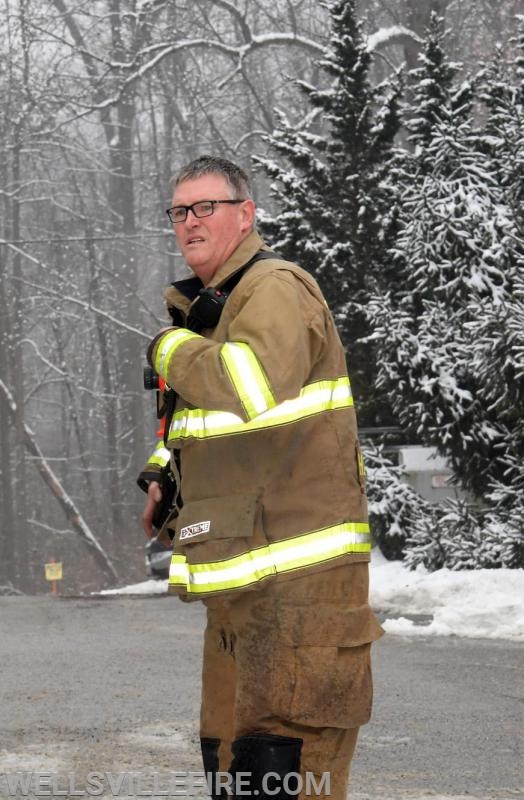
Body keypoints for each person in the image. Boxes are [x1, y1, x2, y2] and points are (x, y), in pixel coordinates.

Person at [138, 155, 383, 800]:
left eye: (205, 207)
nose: (188, 222)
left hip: (299, 589)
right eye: (178, 211)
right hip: (247, 589)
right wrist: (166, 476)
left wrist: (170, 350)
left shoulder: (273, 286)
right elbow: (214, 430)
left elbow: (251, 386)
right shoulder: (212, 308)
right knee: (235, 764)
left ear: (245, 214)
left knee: (289, 770)